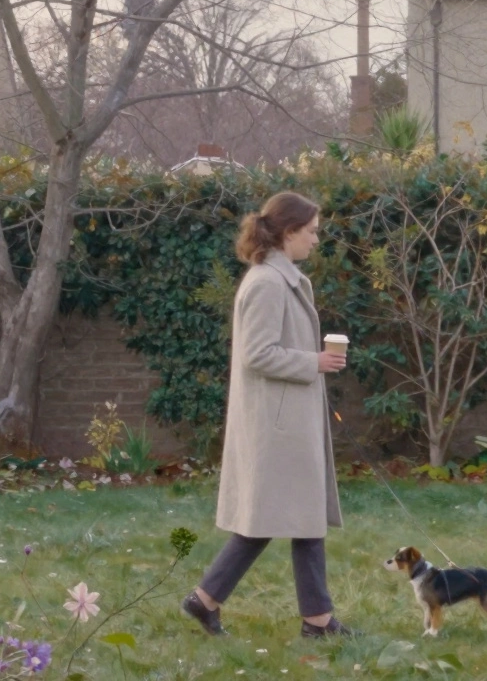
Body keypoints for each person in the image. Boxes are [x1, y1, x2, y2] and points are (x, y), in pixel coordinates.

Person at [181, 191, 355, 639]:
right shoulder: (266, 283)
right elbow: (257, 354)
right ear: (289, 232)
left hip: (288, 421)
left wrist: (315, 362)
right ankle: (215, 602)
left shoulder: (285, 278)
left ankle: (306, 618)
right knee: (280, 518)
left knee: (298, 517)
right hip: (276, 426)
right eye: (312, 232)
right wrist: (312, 363)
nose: (317, 240)